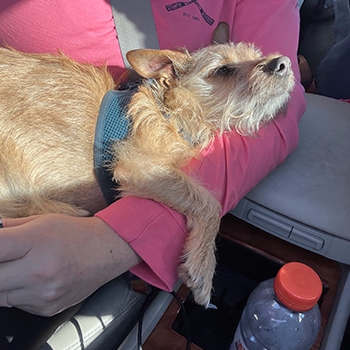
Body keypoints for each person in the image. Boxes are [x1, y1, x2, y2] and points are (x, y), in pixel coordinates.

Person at [0, 0, 305, 348]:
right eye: (223, 71)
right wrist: (203, 214)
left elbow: (283, 114)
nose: (274, 62)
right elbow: (139, 168)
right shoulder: (162, 119)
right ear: (168, 78)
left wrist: (112, 243)